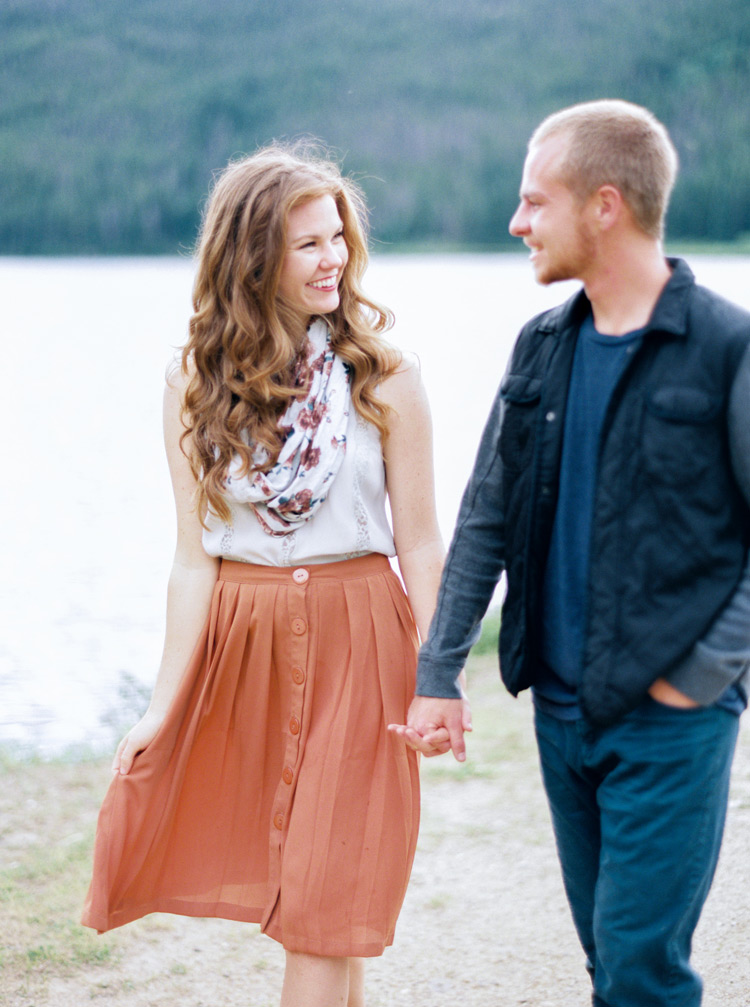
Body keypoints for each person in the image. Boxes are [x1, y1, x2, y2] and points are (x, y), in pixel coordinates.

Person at [390, 100, 750, 1006]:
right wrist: (439, 671)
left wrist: (700, 675)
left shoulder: (726, 348)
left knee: (640, 966)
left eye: (532, 202)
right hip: (560, 711)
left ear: (604, 205)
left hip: (671, 720)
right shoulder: (542, 346)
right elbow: (483, 519)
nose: (515, 224)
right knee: (606, 956)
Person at [81, 143, 449, 1007]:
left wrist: (438, 676)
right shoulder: (191, 384)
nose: (336, 259)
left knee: (326, 892)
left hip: (360, 640)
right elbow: (190, 559)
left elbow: (423, 542)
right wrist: (160, 705)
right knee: (328, 901)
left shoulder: (385, 378)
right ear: (251, 260)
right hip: (241, 643)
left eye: (339, 238)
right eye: (309, 244)